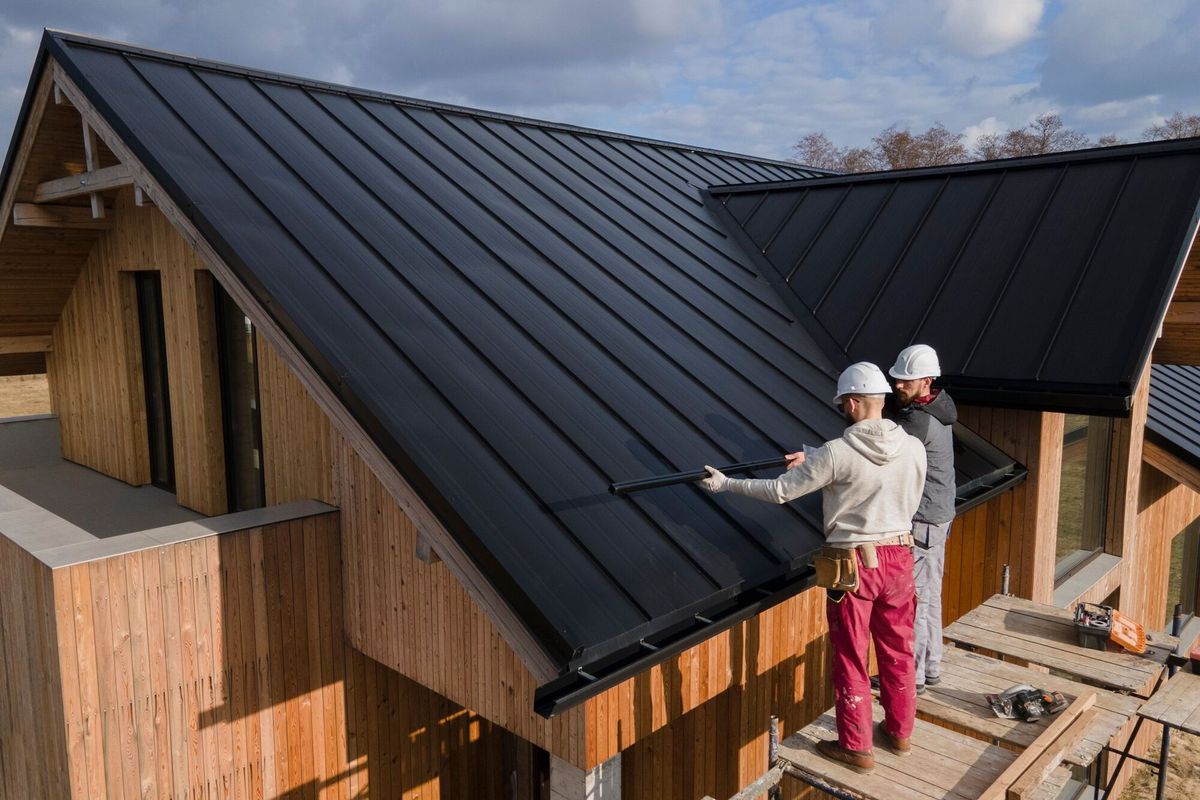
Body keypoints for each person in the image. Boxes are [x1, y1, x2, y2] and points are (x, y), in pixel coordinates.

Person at [698, 362, 926, 773]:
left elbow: (783, 490)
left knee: (853, 655)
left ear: (853, 402)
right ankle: (901, 733)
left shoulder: (838, 453)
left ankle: (856, 747)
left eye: (843, 403)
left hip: (856, 564)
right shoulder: (913, 446)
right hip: (901, 559)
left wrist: (726, 484)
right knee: (898, 649)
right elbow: (877, 473)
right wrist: (817, 458)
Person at [888, 344, 957, 695]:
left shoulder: (917, 421)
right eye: (896, 378)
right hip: (937, 515)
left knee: (916, 598)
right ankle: (930, 667)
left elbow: (884, 453)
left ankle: (912, 679)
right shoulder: (939, 407)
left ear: (926, 381)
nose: (897, 385)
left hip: (925, 520)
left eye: (906, 380)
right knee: (930, 593)